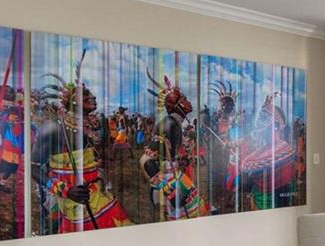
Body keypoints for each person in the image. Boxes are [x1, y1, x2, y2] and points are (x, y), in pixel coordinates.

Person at [32, 57, 132, 233]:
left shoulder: (95, 124)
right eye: (85, 94)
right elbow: (32, 167)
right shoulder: (54, 128)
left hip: (96, 189)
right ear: (72, 100)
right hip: (73, 197)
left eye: (91, 93)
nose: (93, 96)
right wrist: (65, 190)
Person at [141, 71, 208, 220]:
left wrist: (180, 160)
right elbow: (146, 161)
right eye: (183, 99)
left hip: (175, 178)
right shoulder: (168, 124)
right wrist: (169, 191)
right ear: (176, 105)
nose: (188, 102)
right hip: (170, 183)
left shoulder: (175, 123)